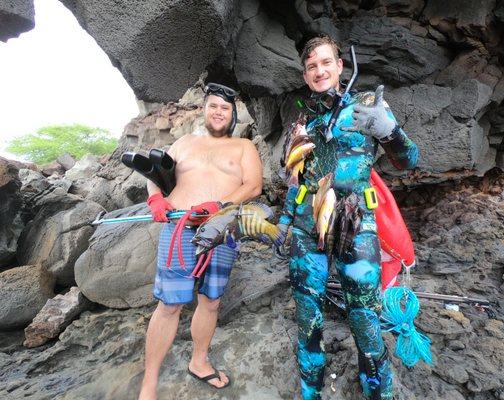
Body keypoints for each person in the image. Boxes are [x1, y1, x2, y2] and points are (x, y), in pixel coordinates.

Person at [277, 35, 419, 400]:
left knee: (364, 318)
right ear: (305, 74)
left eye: (326, 62)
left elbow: (408, 162)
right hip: (308, 228)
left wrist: (388, 131)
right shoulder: (303, 117)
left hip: (357, 225)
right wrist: (284, 221)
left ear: (340, 66)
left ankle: (379, 393)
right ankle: (311, 392)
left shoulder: (368, 106)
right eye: (311, 66)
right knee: (307, 317)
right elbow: (297, 181)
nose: (319, 71)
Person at [138, 83, 263, 400]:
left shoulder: (243, 147)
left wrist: (218, 206)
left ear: (232, 114)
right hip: (180, 226)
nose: (218, 112)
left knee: (211, 300)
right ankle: (149, 384)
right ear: (204, 110)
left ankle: (199, 361)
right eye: (213, 106)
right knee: (169, 304)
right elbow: (155, 177)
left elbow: (253, 186)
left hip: (221, 228)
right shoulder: (183, 142)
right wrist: (156, 202)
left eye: (225, 108)